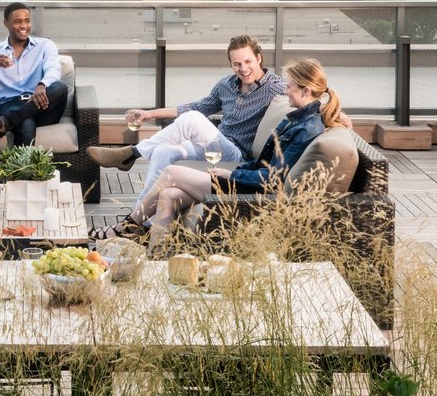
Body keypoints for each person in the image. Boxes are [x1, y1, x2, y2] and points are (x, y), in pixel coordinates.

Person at [102, 58, 345, 251]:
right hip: (244, 179)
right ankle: (155, 258)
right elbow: (263, 164)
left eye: (291, 87)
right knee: (168, 194)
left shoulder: (305, 128)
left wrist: (231, 176)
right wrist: (235, 171)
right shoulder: (296, 120)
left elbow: (274, 180)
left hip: (252, 194)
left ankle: (128, 226)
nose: (287, 91)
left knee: (170, 173)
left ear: (306, 90)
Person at [87, 35, 286, 236]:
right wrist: (149, 114)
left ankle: (132, 153)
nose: (243, 68)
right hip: (215, 149)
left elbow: (309, 91)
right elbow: (198, 106)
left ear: (259, 58)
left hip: (238, 157)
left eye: (248, 61)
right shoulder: (226, 84)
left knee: (192, 119)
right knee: (164, 151)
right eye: (236, 64)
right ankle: (139, 225)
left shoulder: (275, 87)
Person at [0, 1, 68, 147]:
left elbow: (53, 70)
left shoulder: (45, 46)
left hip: (43, 106)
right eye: (17, 22)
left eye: (27, 21)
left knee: (59, 87)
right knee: (25, 124)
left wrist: (42, 85)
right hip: (11, 104)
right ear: (6, 24)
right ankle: (24, 170)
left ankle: (6, 122)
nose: (24, 26)